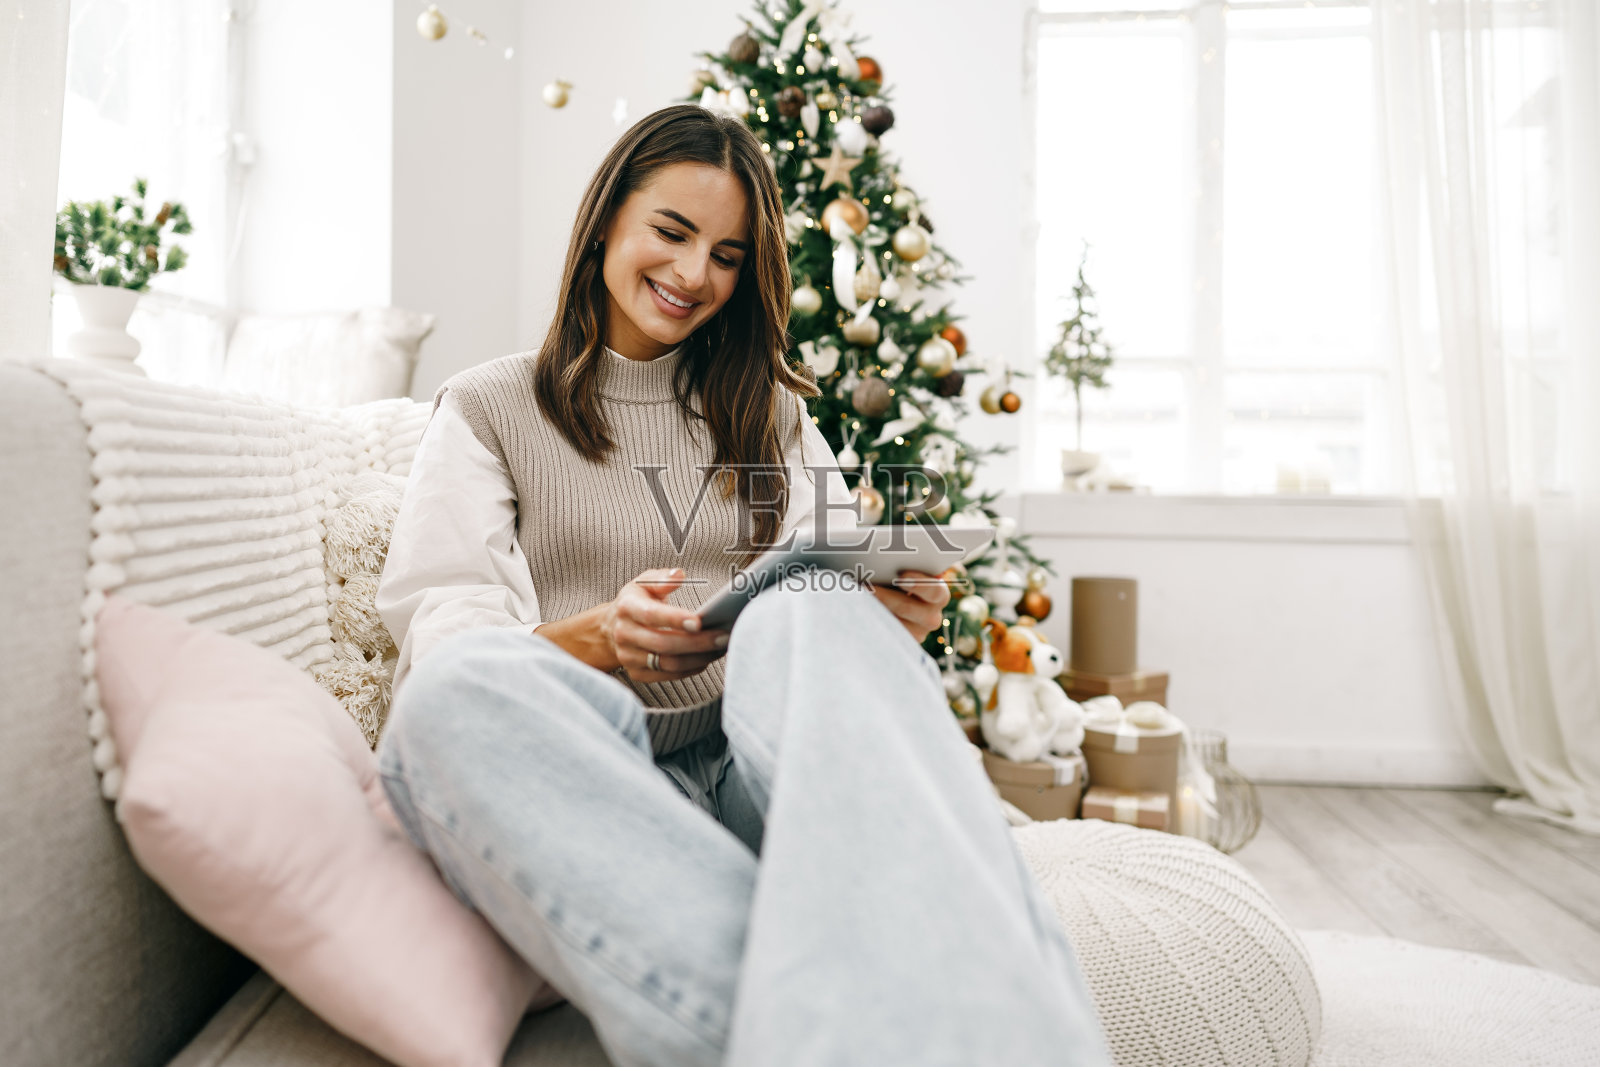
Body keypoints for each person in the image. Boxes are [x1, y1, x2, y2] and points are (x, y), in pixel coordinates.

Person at [374, 103, 1109, 1067]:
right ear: (605, 224)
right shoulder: (488, 408)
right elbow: (449, 635)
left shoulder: (773, 413)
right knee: (447, 701)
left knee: (808, 609)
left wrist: (889, 617)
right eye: (672, 235)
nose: (693, 276)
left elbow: (833, 639)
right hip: (600, 780)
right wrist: (599, 638)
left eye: (726, 255)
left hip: (761, 771)